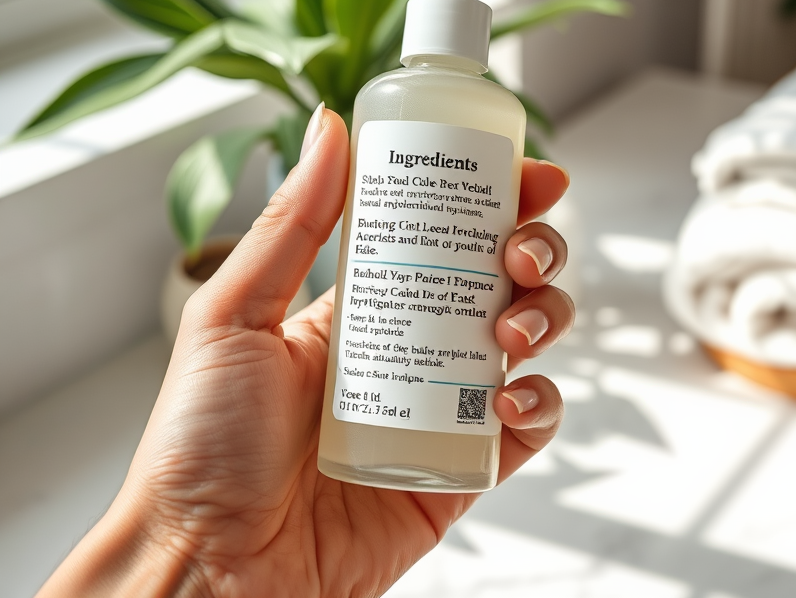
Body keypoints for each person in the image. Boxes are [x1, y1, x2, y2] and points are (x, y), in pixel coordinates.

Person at [37, 106, 573, 598]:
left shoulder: (487, 112)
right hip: (343, 449)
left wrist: (196, 557)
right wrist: (193, 542)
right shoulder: (388, 98)